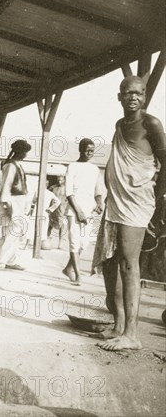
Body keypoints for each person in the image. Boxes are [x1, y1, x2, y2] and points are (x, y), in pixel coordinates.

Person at [92, 76, 165, 351]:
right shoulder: (120, 125)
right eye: (128, 93)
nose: (133, 97)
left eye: (139, 93)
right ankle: (118, 325)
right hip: (116, 202)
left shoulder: (152, 124)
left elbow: (165, 160)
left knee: (128, 264)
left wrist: (157, 200)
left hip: (138, 202)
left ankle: (132, 335)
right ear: (119, 96)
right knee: (111, 262)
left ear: (144, 96)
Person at [61, 139, 104, 285]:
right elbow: (68, 192)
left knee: (83, 244)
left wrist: (99, 203)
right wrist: (78, 211)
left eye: (92, 150)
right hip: (74, 211)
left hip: (89, 211)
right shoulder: (72, 167)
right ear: (80, 149)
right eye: (87, 150)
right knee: (74, 242)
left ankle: (68, 268)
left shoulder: (95, 169)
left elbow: (98, 191)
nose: (89, 153)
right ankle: (77, 274)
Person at [0, 140, 32, 270]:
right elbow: (6, 186)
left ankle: (11, 260)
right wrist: (6, 203)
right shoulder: (11, 166)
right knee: (13, 231)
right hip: (12, 201)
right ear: (20, 152)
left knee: (16, 232)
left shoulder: (16, 165)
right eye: (25, 152)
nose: (26, 155)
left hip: (19, 200)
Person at [47, 175, 68, 246]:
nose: (60, 181)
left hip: (62, 209)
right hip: (53, 209)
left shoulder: (67, 189)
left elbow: (68, 200)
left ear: (64, 180)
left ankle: (60, 243)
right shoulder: (53, 188)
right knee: (49, 224)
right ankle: (46, 239)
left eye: (61, 180)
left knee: (62, 225)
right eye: (58, 180)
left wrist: (66, 210)